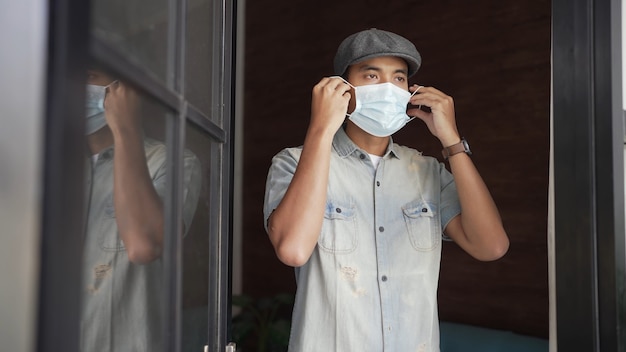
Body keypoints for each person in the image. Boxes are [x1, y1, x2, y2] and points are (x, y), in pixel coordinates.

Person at [263, 28, 509, 351]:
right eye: (371, 75)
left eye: (398, 79)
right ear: (343, 89)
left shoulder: (427, 172)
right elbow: (292, 249)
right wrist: (321, 129)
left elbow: (491, 246)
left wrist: (451, 141)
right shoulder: (292, 163)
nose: (388, 89)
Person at [80, 69, 202, 351]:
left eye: (89, 75)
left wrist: (125, 128)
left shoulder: (171, 162)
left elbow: (143, 246)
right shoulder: (46, 164)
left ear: (124, 88)